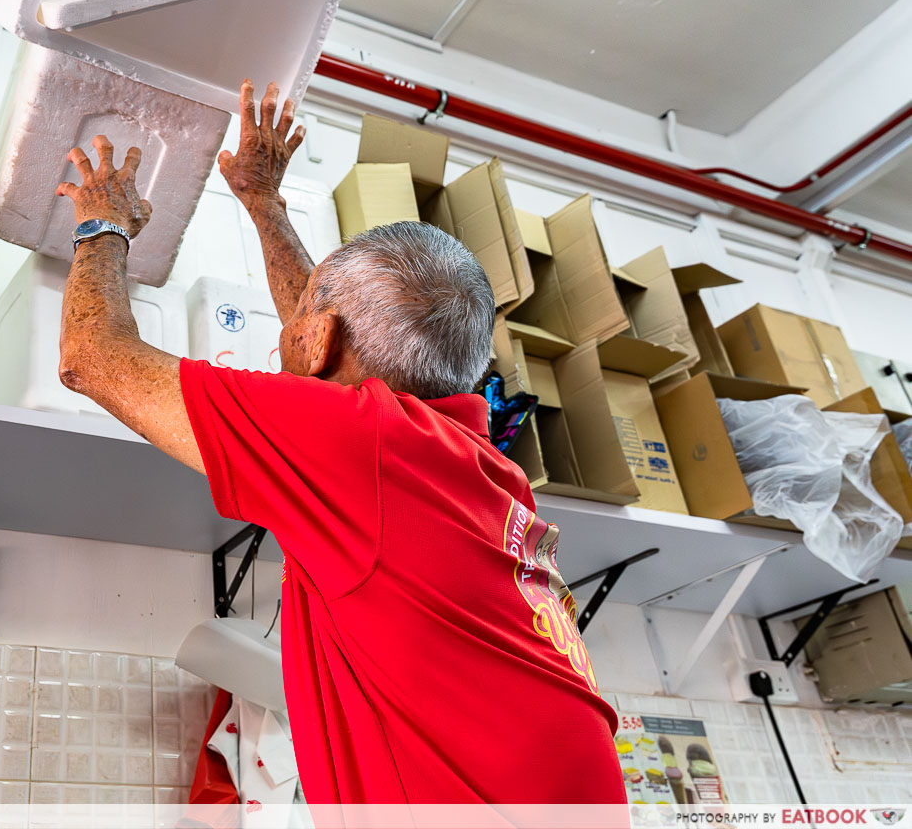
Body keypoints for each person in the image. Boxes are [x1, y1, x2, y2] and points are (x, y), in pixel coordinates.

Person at [55, 79, 624, 805]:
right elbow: (319, 325)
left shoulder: (368, 450)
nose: (287, 330)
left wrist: (104, 224)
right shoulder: (469, 464)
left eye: (305, 319)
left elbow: (92, 357)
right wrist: (262, 202)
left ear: (318, 339)